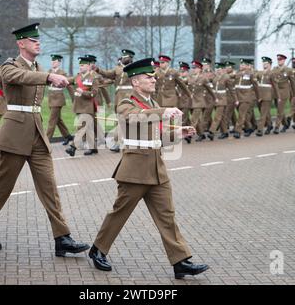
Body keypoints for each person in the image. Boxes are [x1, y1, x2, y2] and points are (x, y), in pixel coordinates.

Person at [88, 58, 210, 280]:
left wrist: (176, 134)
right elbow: (134, 118)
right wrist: (164, 111)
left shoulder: (152, 103)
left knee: (167, 216)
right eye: (148, 77)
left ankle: (180, 261)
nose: (153, 79)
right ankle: (98, 249)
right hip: (135, 170)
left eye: (153, 76)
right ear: (135, 81)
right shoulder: (127, 103)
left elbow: (156, 137)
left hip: (157, 168)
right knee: (120, 213)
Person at [0, 24, 90, 257]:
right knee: (3, 186)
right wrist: (49, 77)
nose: (38, 43)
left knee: (49, 187)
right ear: (21, 43)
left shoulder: (38, 66)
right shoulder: (10, 65)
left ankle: (62, 237)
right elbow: (17, 77)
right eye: (33, 40)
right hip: (16, 134)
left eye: (39, 40)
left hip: (37, 134)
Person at [95, 49, 136, 153]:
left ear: (131, 58)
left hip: (130, 96)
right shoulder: (117, 69)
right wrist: (97, 69)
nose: (124, 58)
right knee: (121, 120)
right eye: (123, 56)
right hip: (119, 97)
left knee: (124, 120)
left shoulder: (134, 68)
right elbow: (108, 74)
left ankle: (118, 142)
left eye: (126, 56)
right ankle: (122, 141)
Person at [65, 56, 100, 157]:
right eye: (80, 65)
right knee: (88, 128)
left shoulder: (93, 78)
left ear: (89, 66)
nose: (80, 67)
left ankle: (73, 147)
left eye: (83, 65)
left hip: (88, 107)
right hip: (79, 106)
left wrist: (83, 92)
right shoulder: (78, 77)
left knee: (81, 127)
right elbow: (68, 81)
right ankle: (93, 148)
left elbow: (94, 93)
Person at [45, 54, 74, 145]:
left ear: (59, 62)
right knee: (58, 119)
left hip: (58, 99)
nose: (53, 62)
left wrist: (73, 98)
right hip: (51, 98)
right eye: (52, 61)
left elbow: (68, 86)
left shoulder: (62, 73)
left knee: (52, 120)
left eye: (55, 61)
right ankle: (67, 136)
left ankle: (46, 140)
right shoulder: (49, 72)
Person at [233, 59, 259, 139]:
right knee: (243, 115)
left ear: (248, 66)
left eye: (243, 65)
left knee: (241, 115)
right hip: (238, 97)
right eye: (241, 64)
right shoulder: (237, 73)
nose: (241, 66)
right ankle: (249, 128)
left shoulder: (250, 74)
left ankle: (237, 131)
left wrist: (258, 96)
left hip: (246, 97)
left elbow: (255, 86)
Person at [208, 63, 232, 140]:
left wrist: (235, 99)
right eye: (217, 69)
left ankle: (211, 131)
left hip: (222, 99)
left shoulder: (226, 77)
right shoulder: (215, 78)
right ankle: (225, 132)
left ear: (223, 69)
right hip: (215, 99)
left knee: (217, 116)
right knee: (223, 117)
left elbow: (231, 90)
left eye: (220, 69)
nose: (218, 71)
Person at [255, 57, 276, 137]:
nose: (264, 64)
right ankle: (269, 124)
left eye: (266, 63)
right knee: (264, 112)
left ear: (270, 64)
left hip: (267, 95)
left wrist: (277, 96)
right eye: (263, 63)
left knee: (263, 113)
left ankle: (260, 129)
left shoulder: (272, 73)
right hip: (259, 95)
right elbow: (254, 79)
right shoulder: (259, 73)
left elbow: (275, 86)